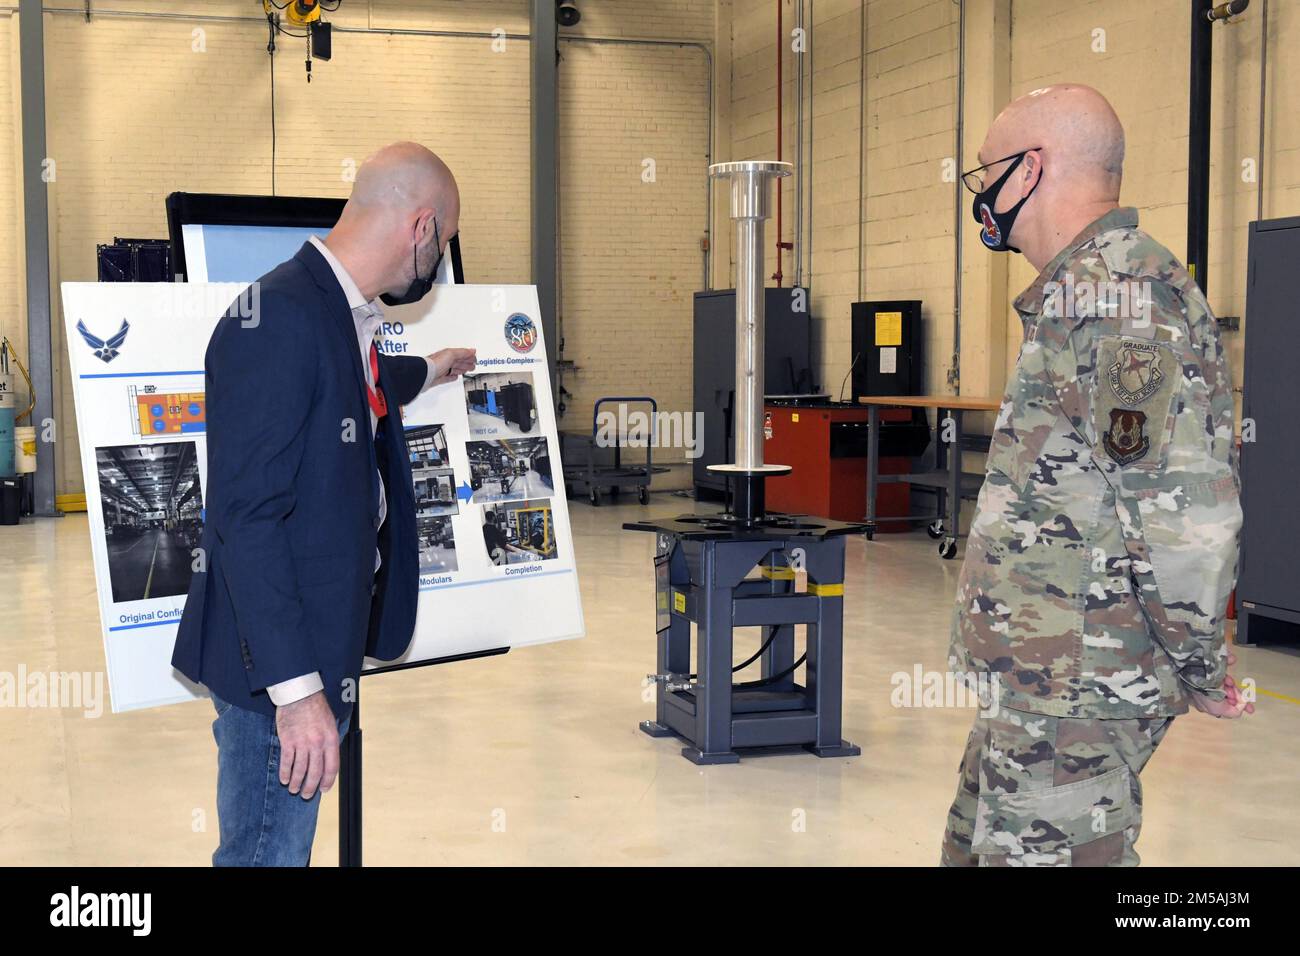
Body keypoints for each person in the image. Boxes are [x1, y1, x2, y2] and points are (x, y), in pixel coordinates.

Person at [940, 85, 1253, 867]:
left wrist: (1201, 661)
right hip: (1040, 676)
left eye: (988, 173)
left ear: (1030, 170)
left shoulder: (1120, 300)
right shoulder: (1084, 291)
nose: (982, 196)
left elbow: (1184, 516)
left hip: (1081, 684)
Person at [173, 142, 477, 866]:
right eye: (447, 240)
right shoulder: (278, 315)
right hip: (277, 670)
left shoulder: (337, 308)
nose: (439, 258)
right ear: (423, 227)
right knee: (265, 856)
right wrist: (299, 695)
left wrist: (429, 370)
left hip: (315, 645)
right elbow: (245, 519)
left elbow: (344, 392)